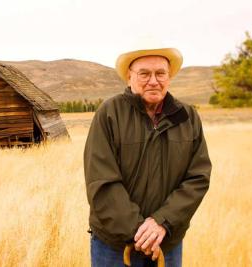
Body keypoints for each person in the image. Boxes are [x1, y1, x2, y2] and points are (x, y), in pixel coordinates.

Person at [84, 41, 211, 267]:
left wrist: (162, 223)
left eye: (160, 73)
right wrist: (139, 231)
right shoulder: (109, 114)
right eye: (144, 73)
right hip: (114, 245)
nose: (153, 81)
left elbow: (198, 178)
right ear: (129, 77)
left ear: (169, 77)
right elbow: (101, 181)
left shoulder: (188, 117)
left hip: (166, 241)